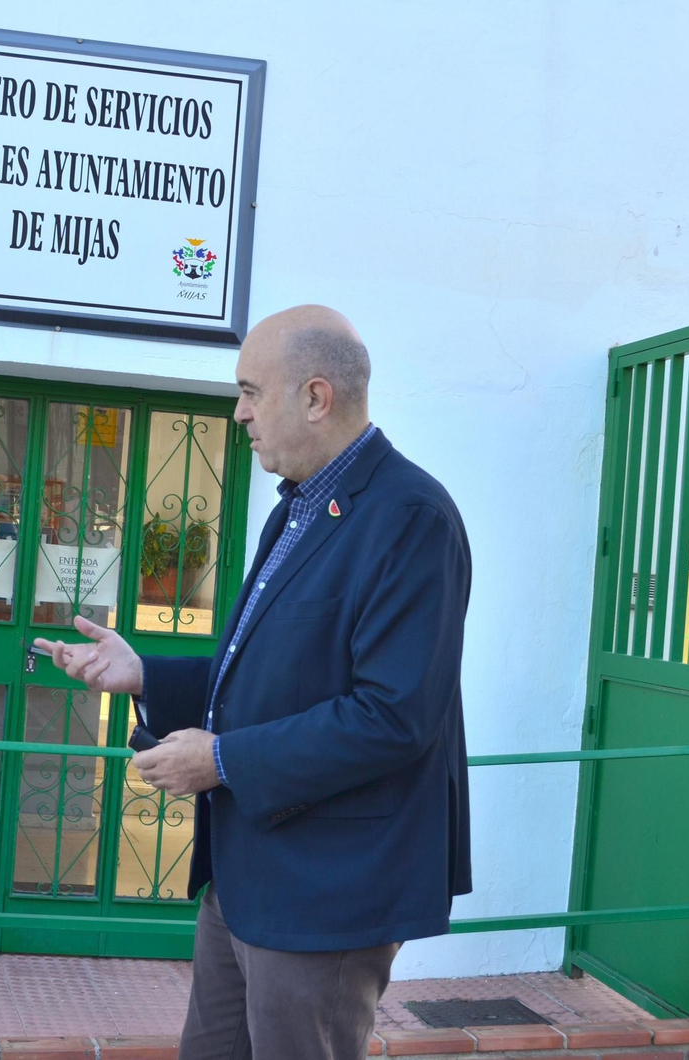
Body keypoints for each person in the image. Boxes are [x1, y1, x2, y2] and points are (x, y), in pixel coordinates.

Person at [36, 305, 472, 1060]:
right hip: (247, 880)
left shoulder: (411, 517)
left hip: (325, 893)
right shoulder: (295, 509)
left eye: (250, 391)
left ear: (315, 396)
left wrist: (222, 760)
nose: (238, 414)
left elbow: (394, 716)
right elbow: (273, 676)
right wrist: (143, 673)